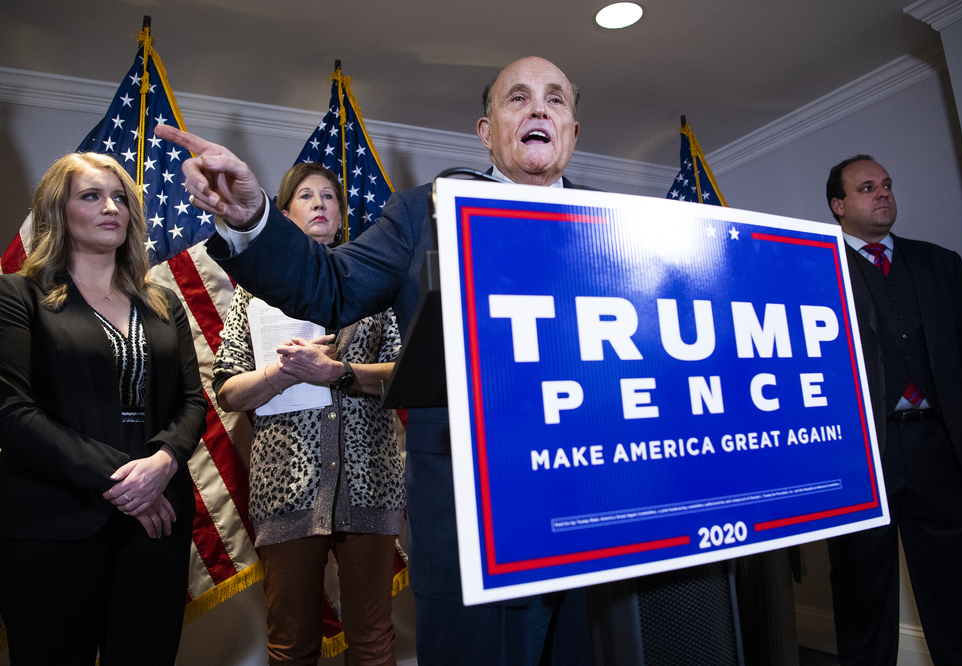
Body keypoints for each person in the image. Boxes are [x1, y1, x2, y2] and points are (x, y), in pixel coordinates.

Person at [156, 56, 593, 666]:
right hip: (476, 515)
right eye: (517, 98)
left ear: (572, 129)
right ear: (485, 131)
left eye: (556, 99)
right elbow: (332, 287)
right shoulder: (423, 214)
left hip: (600, 499)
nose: (539, 108)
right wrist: (254, 216)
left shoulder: (621, 225)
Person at [0, 152, 206, 665]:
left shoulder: (163, 304)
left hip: (155, 522)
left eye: (120, 198)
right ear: (58, 211)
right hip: (54, 521)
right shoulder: (18, 295)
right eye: (91, 196)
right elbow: (13, 413)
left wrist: (161, 464)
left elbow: (192, 402)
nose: (111, 207)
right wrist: (126, 482)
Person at [213, 162, 404, 666]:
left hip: (372, 480)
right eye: (304, 195)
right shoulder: (254, 292)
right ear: (282, 215)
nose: (319, 202)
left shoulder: (376, 284)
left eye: (328, 195)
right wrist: (285, 374)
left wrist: (337, 372)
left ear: (340, 215)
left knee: (372, 641)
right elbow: (227, 390)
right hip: (286, 486)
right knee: (291, 644)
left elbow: (406, 372)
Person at [824, 155, 962, 665]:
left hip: (941, 450)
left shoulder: (940, 263)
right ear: (839, 205)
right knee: (863, 604)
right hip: (861, 458)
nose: (882, 193)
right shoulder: (815, 267)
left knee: (950, 605)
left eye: (886, 185)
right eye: (866, 188)